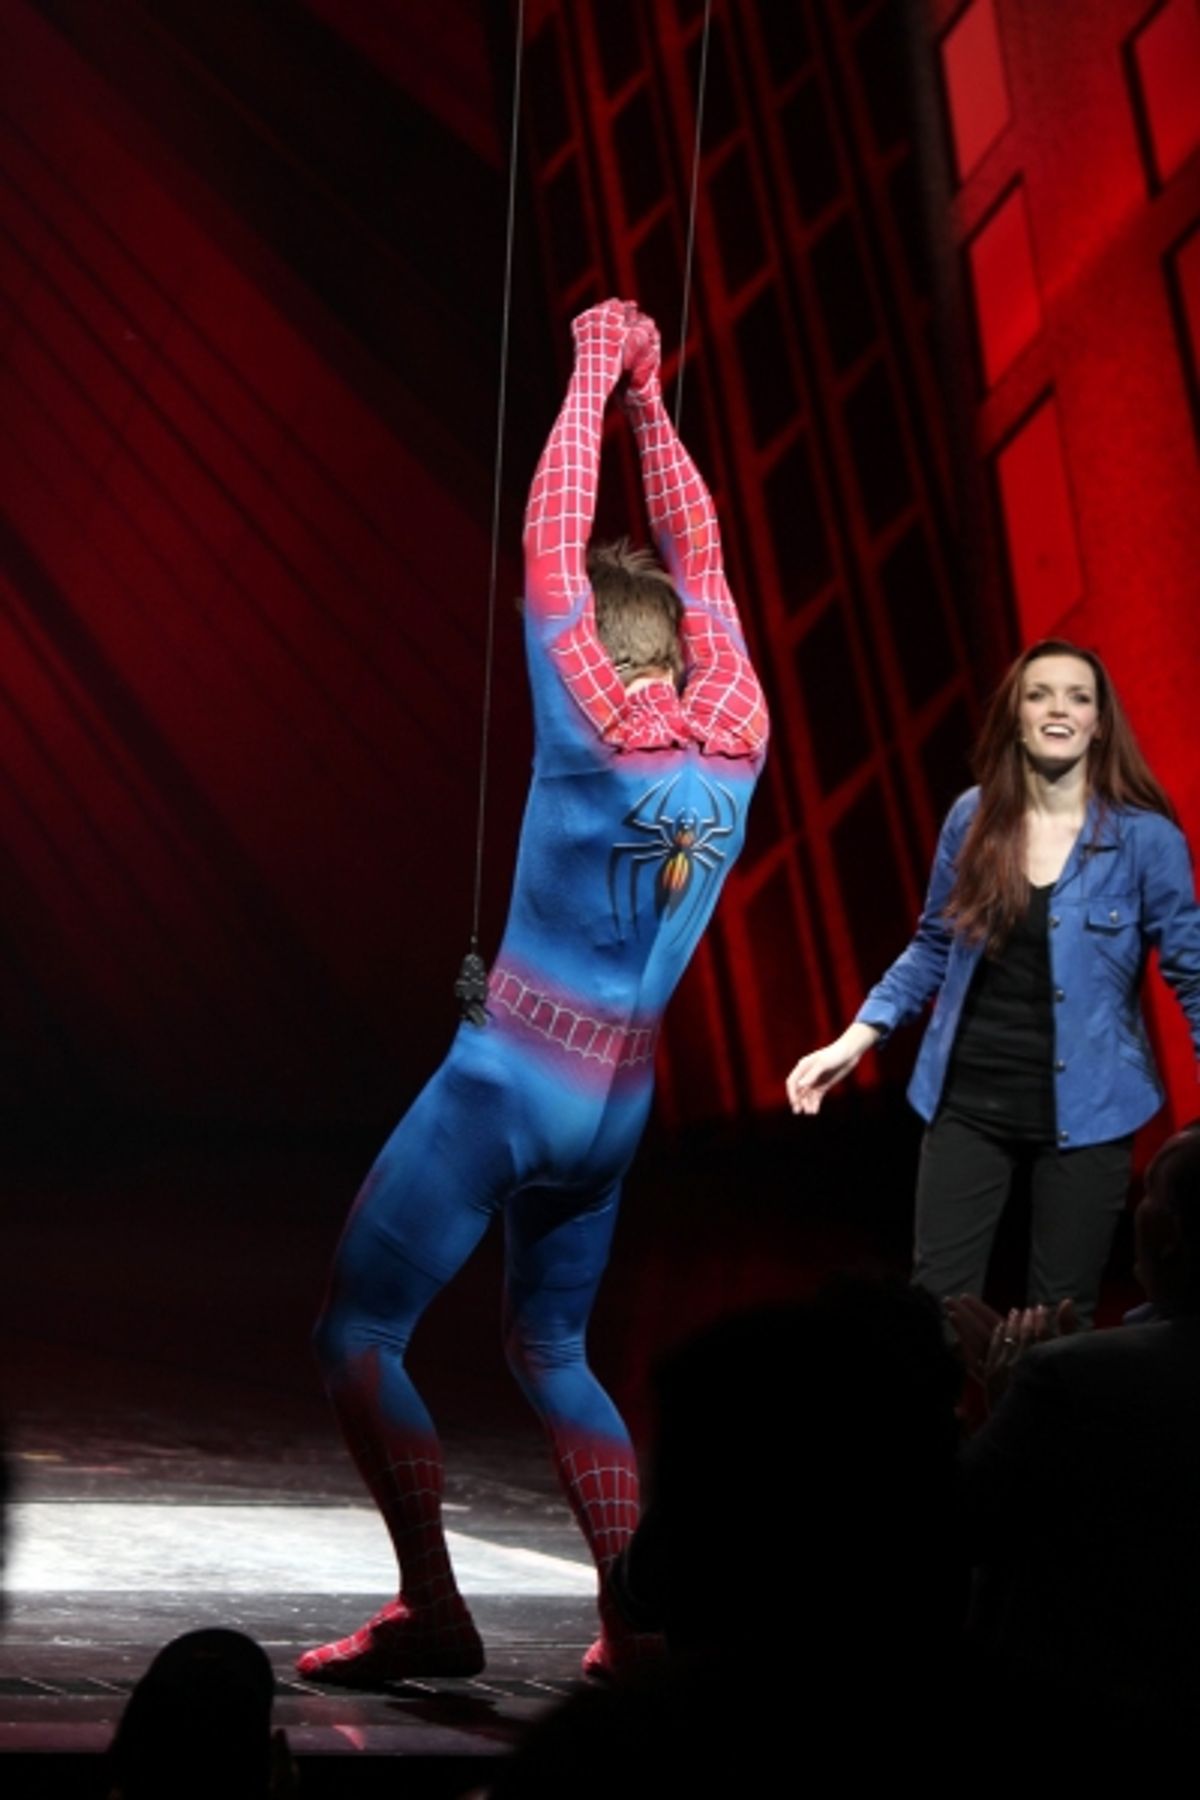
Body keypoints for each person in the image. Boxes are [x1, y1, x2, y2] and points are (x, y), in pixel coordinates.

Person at [298, 300, 767, 1687]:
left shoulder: (594, 730)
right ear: (678, 643)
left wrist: (592, 362)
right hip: (618, 1100)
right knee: (553, 1349)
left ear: (595, 647)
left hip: (511, 1077)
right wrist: (652, 406)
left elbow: (551, 544)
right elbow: (706, 558)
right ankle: (631, 1627)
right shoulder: (735, 736)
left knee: (357, 1332)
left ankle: (433, 1608)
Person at [786, 640, 1200, 1324]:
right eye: (1040, 694)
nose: (1058, 709)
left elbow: (1192, 971)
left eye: (1078, 697)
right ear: (1015, 716)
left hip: (1093, 1109)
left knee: (1059, 1324)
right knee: (935, 1316)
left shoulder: (1146, 841)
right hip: (970, 1100)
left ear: (1100, 723)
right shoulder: (972, 818)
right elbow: (933, 945)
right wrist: (854, 1039)